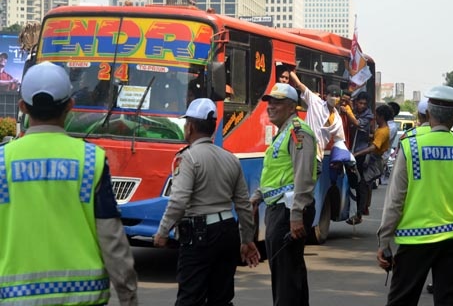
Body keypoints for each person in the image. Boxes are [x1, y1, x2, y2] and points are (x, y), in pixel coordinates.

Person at [0, 61, 138, 305]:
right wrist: (128, 296)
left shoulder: (2, 162)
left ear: (22, 107)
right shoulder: (90, 160)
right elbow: (112, 238)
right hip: (83, 298)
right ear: (70, 106)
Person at [377, 85, 453, 305]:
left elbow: (395, 200)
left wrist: (384, 240)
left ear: (428, 114)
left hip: (414, 239)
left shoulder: (411, 147)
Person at [153, 98, 259, 305]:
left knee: (190, 298)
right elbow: (244, 206)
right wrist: (246, 240)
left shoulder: (188, 158)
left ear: (190, 127)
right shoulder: (231, 158)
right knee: (221, 298)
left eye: (186, 124)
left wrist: (162, 232)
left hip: (199, 236)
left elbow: (178, 201)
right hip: (228, 232)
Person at [250, 83, 317, 306]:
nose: (271, 107)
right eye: (269, 102)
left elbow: (303, 176)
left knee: (286, 277)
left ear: (291, 107)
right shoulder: (284, 133)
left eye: (277, 103)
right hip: (279, 209)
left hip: (287, 212)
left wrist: (296, 215)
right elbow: (278, 173)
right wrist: (258, 195)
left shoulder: (299, 132)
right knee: (287, 274)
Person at [288, 70, 346, 178]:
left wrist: (341, 159)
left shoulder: (338, 119)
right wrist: (289, 70)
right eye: (332, 95)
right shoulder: (315, 102)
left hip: (318, 155)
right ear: (326, 96)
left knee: (311, 186)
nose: (335, 98)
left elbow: (339, 141)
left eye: (337, 96)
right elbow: (300, 85)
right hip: (302, 149)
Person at [344, 91, 374, 223]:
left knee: (360, 183)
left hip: (360, 153)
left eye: (364, 104)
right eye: (359, 103)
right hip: (348, 151)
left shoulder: (368, 115)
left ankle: (360, 213)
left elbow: (357, 123)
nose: (361, 106)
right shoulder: (352, 109)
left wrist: (347, 111)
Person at [352, 104, 392, 198]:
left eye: (377, 116)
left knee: (363, 184)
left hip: (375, 160)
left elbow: (373, 147)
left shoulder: (383, 131)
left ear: (381, 116)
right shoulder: (381, 129)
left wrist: (357, 153)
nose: (375, 118)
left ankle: (361, 210)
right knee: (366, 183)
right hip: (374, 158)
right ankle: (365, 207)